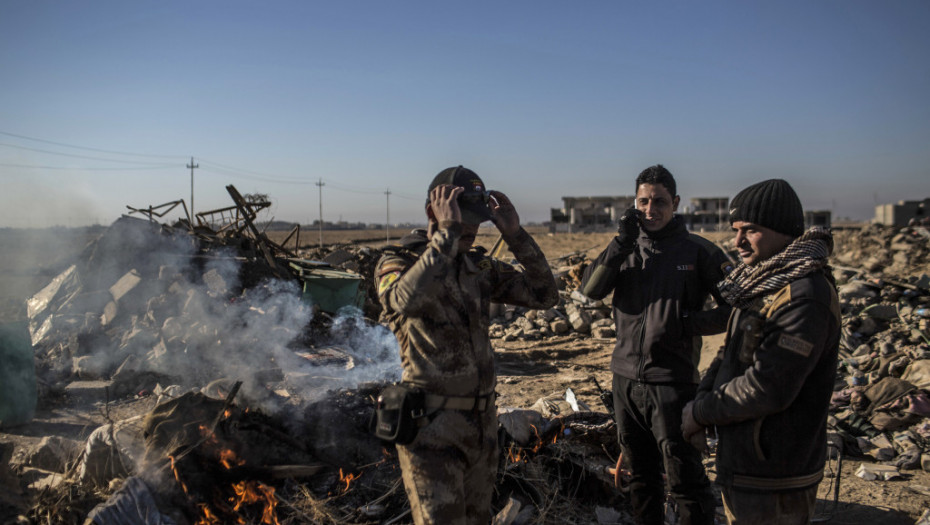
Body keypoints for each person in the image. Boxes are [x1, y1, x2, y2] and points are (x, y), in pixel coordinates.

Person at [375, 165, 559, 525]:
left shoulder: (479, 268)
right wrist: (444, 237)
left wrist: (516, 235)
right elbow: (404, 302)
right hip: (432, 433)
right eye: (465, 219)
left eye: (477, 220)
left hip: (483, 429)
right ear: (435, 211)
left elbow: (545, 294)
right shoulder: (399, 262)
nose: (473, 229)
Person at [682, 179, 840, 524]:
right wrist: (700, 402)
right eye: (736, 230)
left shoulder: (804, 296)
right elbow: (727, 354)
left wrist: (702, 412)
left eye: (750, 230)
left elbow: (768, 388)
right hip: (748, 467)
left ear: (783, 230)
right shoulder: (763, 284)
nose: (737, 242)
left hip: (776, 477)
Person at [581, 164, 730, 525]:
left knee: (685, 481)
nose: (651, 210)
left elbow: (736, 308)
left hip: (672, 383)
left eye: (659, 202)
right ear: (635, 203)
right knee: (641, 478)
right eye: (644, 201)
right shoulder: (624, 249)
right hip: (625, 383)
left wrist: (687, 325)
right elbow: (590, 290)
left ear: (675, 203)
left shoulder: (698, 252)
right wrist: (619, 243)